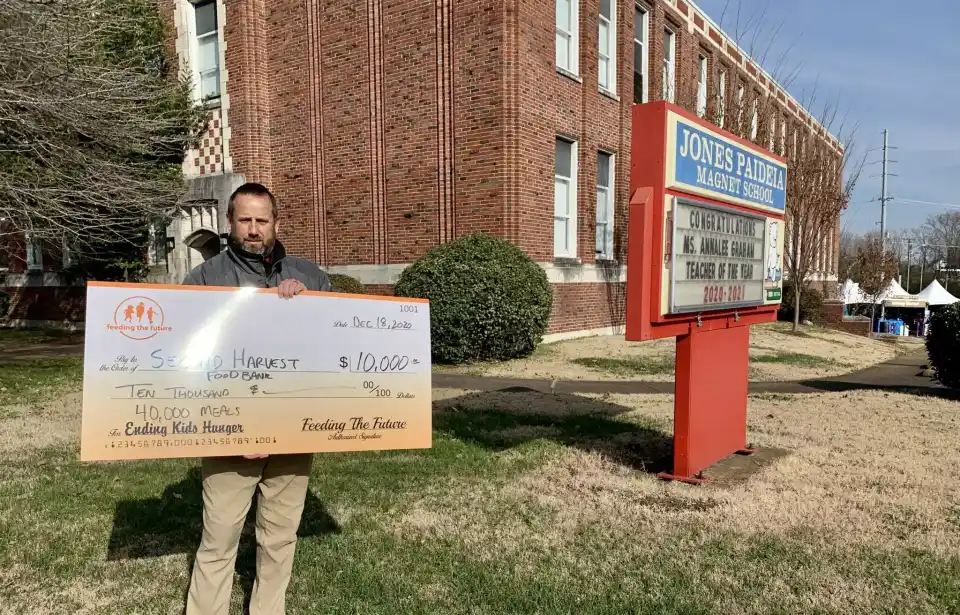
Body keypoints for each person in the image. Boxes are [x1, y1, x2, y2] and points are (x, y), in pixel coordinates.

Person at [182, 182, 332, 615]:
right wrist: (236, 431)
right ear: (229, 223)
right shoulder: (204, 279)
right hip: (228, 432)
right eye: (244, 219)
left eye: (261, 220)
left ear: (276, 223)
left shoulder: (310, 276)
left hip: (292, 432)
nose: (253, 229)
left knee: (280, 536)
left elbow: (330, 347)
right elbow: (188, 359)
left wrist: (307, 306)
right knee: (219, 538)